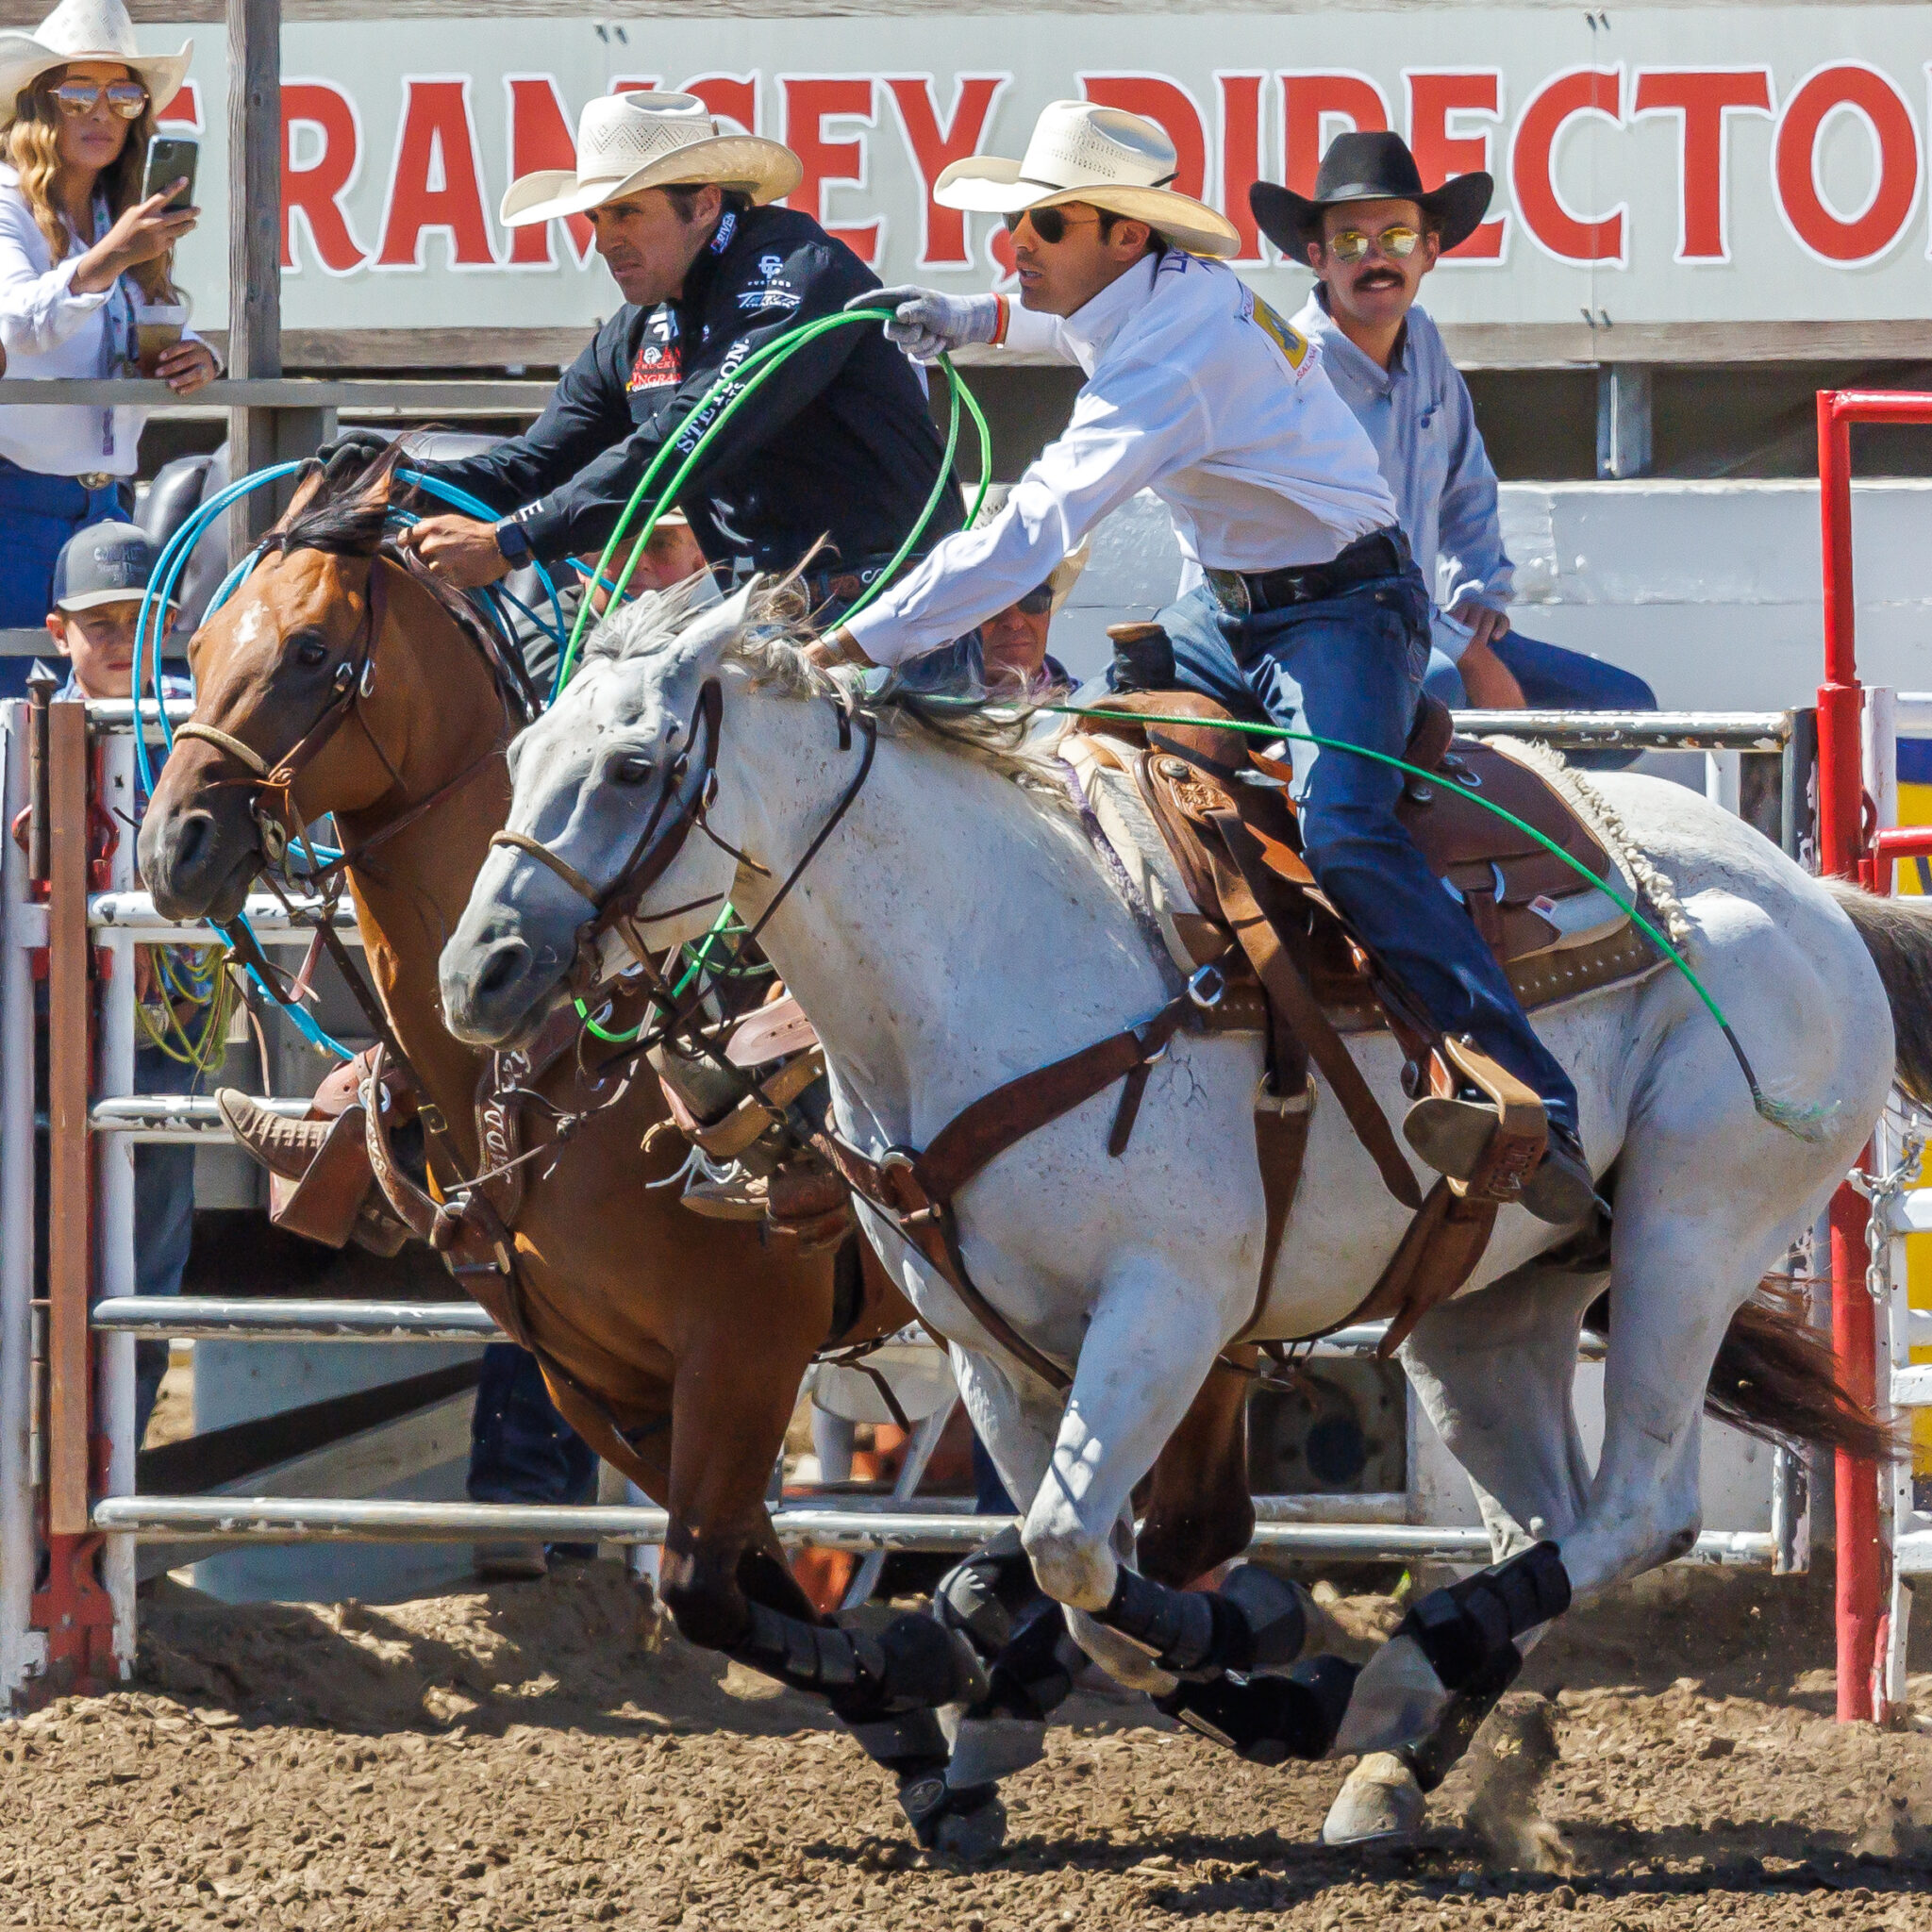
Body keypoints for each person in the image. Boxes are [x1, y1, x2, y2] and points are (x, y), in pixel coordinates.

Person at [817, 99, 1592, 1221]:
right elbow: (1069, 323)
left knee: (1345, 830)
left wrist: (850, 643)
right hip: (1228, 610)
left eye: (1039, 228)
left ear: (1122, 236)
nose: (1012, 248)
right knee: (1076, 761)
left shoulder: (1174, 357)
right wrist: (976, 316)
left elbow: (1034, 528)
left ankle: (1525, 1097)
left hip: (1346, 610)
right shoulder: (1161, 299)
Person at [314, 91, 961, 612]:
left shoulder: (793, 272)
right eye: (595, 218)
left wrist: (512, 542)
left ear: (705, 204)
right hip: (767, 620)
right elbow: (534, 465)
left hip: (905, 612)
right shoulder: (638, 327)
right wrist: (401, 476)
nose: (604, 241)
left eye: (626, 213)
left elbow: (689, 436)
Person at [1255, 131, 1657, 741]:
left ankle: (1480, 811)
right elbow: (1334, 570)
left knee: (1626, 710)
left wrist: (1482, 592)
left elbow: (1467, 486)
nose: (1375, 259)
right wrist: (1465, 652)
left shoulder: (1423, 343)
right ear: (1318, 258)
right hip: (1322, 643)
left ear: (1429, 251)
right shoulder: (1292, 373)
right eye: (1349, 242)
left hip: (1420, 634)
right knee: (1440, 686)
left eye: (1395, 237)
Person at [41, 521, 201, 1443]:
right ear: (59, 628)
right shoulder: (25, 727)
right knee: (42, 1251)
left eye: (136, 620)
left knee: (145, 1266)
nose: (116, 643)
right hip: (52, 1020)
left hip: (173, 1018)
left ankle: (112, 1470)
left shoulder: (207, 722)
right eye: (98, 624)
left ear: (169, 622)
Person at [0, 0, 218, 628]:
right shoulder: (7, 203)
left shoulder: (116, 211)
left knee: (108, 712)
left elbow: (146, 317)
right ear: (40, 105)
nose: (102, 112)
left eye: (123, 96)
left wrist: (199, 352)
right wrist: (109, 257)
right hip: (17, 504)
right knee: (19, 707)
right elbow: (16, 327)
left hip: (113, 510)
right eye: (77, 93)